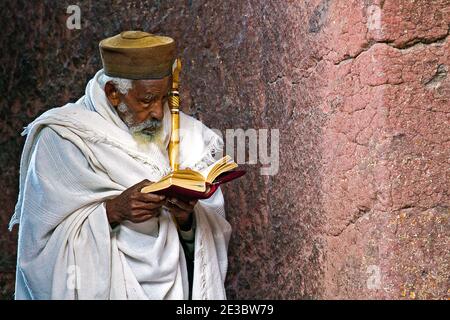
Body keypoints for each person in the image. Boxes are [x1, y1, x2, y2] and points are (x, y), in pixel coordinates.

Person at [9, 31, 231, 300]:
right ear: (113, 93)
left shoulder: (190, 135)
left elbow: (209, 238)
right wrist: (113, 210)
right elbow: (38, 252)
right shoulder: (64, 138)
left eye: (164, 99)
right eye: (146, 100)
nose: (159, 113)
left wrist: (186, 219)